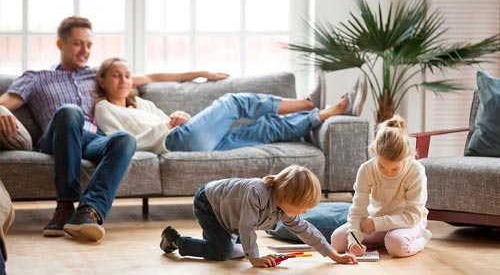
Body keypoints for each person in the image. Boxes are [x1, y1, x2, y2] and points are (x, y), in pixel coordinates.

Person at [0, 16, 228, 242]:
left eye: (89, 45)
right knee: (70, 111)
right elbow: (6, 101)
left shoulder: (97, 75)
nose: (85, 50)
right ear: (60, 44)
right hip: (58, 138)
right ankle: (65, 206)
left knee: (125, 139)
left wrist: (201, 74)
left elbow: (151, 77)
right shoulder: (37, 78)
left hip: (92, 139)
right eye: (78, 43)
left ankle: (89, 213)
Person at [93, 58, 368, 154]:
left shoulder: (141, 103)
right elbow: (121, 142)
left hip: (188, 136)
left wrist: (179, 115)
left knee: (264, 129)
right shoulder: (105, 109)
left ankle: (325, 112)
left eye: (127, 75)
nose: (123, 80)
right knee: (233, 102)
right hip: (173, 142)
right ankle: (307, 103)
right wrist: (168, 126)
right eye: (116, 75)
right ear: (102, 81)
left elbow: (169, 119)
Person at [160, 165, 357, 267]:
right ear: (288, 198)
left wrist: (334, 255)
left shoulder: (284, 209)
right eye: (302, 207)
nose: (304, 212)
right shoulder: (256, 192)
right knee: (223, 253)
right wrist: (255, 258)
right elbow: (247, 228)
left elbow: (307, 231)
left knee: (233, 250)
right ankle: (176, 240)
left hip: (230, 213)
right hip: (209, 203)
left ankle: (214, 240)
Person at [331, 115, 432, 258]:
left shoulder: (416, 171)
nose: (388, 173)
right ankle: (383, 241)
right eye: (382, 167)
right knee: (337, 241)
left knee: (397, 245)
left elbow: (412, 216)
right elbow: (358, 210)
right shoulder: (366, 169)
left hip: (408, 223)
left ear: (407, 157)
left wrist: (375, 223)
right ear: (374, 153)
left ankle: (421, 238)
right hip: (376, 221)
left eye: (395, 169)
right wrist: (354, 241)